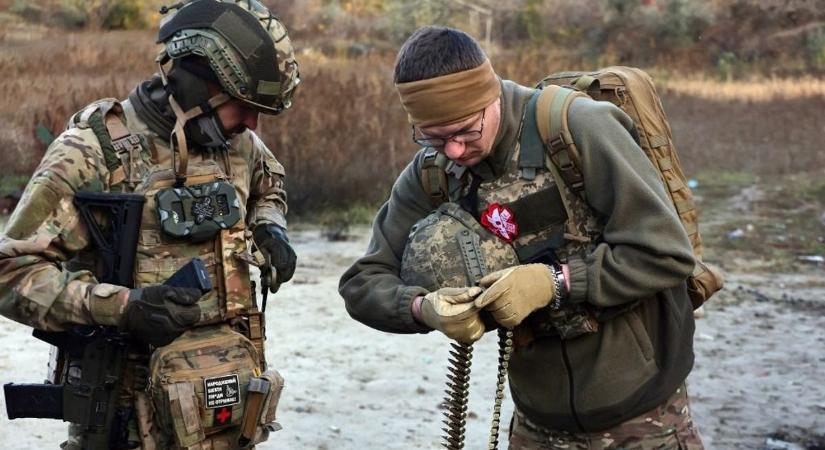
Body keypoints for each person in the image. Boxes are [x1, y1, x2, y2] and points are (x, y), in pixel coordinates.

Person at [339, 25, 705, 449]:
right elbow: (362, 283)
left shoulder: (579, 129)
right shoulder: (433, 172)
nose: (454, 151)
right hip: (535, 421)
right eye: (434, 137)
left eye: (465, 132)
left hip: (643, 417)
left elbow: (665, 253)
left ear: (490, 96)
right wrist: (424, 309)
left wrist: (553, 283)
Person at [0, 1, 299, 448]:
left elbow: (268, 185)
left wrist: (270, 228)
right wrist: (125, 307)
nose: (253, 123)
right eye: (244, 107)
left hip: (227, 409)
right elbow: (12, 274)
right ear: (201, 88)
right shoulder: (92, 153)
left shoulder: (236, 144)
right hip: (128, 420)